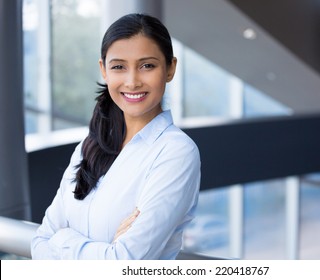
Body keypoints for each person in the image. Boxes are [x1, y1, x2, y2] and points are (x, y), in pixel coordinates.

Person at [31, 13, 201, 260]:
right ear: (104, 70)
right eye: (119, 66)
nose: (132, 82)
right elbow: (39, 242)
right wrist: (104, 250)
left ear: (170, 68)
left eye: (147, 66)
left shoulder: (176, 152)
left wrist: (62, 240)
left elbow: (123, 262)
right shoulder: (87, 147)